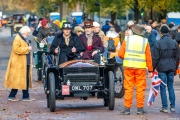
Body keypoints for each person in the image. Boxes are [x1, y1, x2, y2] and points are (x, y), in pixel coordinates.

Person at [118, 24, 153, 115]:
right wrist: (150, 70)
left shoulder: (127, 39)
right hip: (140, 68)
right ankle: (140, 109)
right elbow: (148, 57)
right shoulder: (145, 41)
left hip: (128, 67)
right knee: (140, 88)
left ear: (133, 31)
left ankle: (127, 108)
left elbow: (121, 54)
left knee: (128, 87)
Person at [4, 26, 35, 102]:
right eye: (27, 33)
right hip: (19, 63)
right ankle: (13, 96)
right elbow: (16, 49)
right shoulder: (18, 39)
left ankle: (24, 96)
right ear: (24, 32)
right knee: (19, 80)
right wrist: (27, 49)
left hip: (23, 63)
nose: (28, 35)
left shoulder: (22, 38)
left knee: (24, 80)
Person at [152, 25, 179, 113]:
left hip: (162, 67)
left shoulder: (158, 43)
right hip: (171, 66)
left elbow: (155, 57)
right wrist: (175, 67)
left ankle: (165, 107)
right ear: (168, 32)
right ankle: (173, 106)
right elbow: (177, 57)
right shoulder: (174, 43)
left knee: (163, 87)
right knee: (171, 86)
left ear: (161, 33)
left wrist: (153, 68)